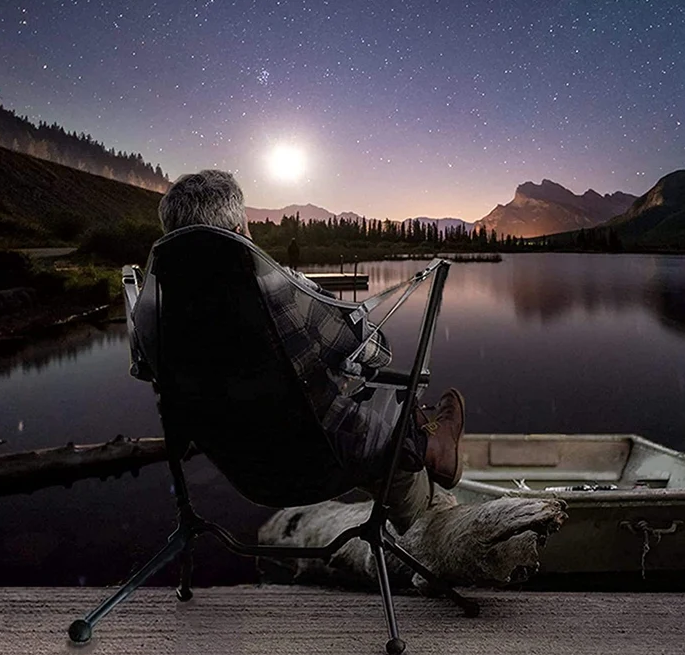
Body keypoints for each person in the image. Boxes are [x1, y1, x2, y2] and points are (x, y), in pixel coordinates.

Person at [156, 169, 465, 534]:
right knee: (390, 441)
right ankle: (425, 504)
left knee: (347, 415)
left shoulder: (156, 314)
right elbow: (378, 353)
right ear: (239, 231)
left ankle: (428, 442)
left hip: (246, 472)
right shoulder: (286, 291)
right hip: (321, 463)